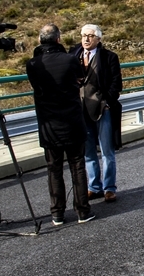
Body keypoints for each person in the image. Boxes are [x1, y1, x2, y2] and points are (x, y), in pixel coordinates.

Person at [26, 24, 95, 225]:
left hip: (48, 124)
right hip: (72, 120)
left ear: (40, 40)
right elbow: (80, 79)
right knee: (77, 165)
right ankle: (82, 210)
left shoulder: (32, 64)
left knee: (53, 169)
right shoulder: (70, 60)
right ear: (58, 39)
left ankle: (57, 213)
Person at [71, 24, 122, 202]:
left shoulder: (109, 57)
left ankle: (109, 187)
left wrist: (106, 101)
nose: (86, 39)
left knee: (107, 151)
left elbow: (116, 83)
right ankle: (94, 186)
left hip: (102, 109)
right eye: (84, 35)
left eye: (90, 36)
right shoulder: (74, 55)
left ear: (98, 39)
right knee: (88, 151)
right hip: (81, 111)